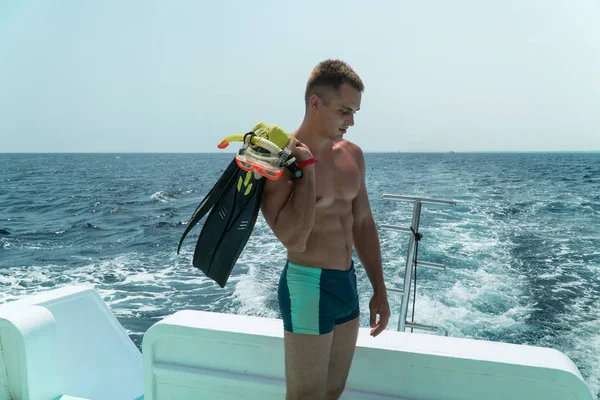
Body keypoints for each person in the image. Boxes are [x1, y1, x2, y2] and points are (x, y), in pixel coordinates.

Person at [261, 59, 391, 400]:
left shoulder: (353, 155)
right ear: (315, 103)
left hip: (346, 282)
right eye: (344, 111)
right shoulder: (279, 162)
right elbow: (293, 238)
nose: (351, 121)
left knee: (332, 392)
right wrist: (306, 169)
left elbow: (362, 223)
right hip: (307, 284)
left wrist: (379, 289)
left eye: (355, 112)